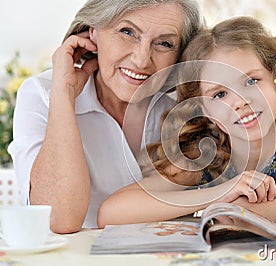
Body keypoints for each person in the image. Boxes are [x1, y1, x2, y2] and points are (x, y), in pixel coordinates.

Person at [97, 16, 276, 227]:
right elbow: (111, 212)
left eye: (251, 81)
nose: (239, 101)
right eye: (219, 94)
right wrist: (218, 195)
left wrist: (257, 210)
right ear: (201, 107)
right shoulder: (203, 155)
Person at [8, 0, 203, 233]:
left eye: (164, 43)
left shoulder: (184, 108)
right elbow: (57, 220)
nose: (141, 60)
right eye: (127, 32)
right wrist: (63, 95)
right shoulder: (42, 92)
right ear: (93, 33)